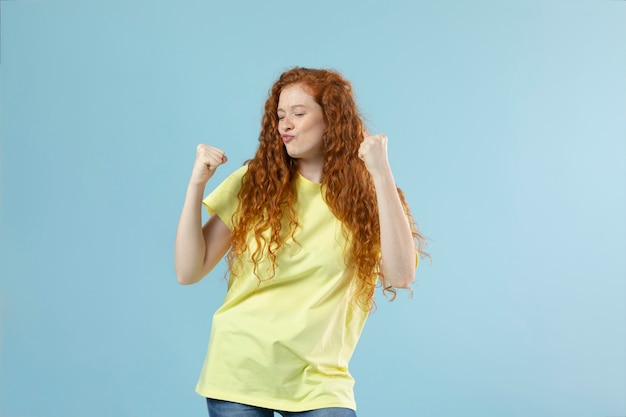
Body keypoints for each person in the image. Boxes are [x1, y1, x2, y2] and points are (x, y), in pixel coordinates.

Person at [174, 67, 427, 417]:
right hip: (240, 369)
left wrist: (381, 172)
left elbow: (400, 275)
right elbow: (188, 271)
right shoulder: (256, 183)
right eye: (280, 115)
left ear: (333, 119)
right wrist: (196, 185)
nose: (285, 124)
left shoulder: (366, 198)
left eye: (298, 113)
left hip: (321, 380)